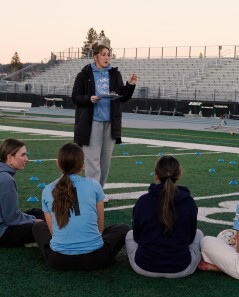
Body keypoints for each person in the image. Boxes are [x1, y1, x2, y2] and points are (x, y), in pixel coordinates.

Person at [32, 143, 129, 270]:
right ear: (82, 165)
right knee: (123, 228)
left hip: (58, 260)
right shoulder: (94, 185)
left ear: (58, 163)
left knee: (38, 226)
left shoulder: (47, 190)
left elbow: (53, 233)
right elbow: (100, 228)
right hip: (96, 259)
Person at [72, 41, 137, 188]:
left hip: (111, 122)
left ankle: (99, 191)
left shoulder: (115, 74)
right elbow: (75, 97)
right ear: (96, 56)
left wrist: (130, 85)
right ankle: (93, 191)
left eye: (109, 55)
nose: (107, 57)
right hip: (91, 122)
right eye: (103, 55)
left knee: (105, 161)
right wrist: (89, 98)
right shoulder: (84, 74)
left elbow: (123, 97)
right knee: (92, 160)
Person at [125, 155, 203, 278]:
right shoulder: (189, 202)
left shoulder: (143, 201)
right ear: (179, 175)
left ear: (156, 175)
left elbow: (137, 237)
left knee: (129, 234)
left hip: (144, 266)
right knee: (199, 234)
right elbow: (190, 238)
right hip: (180, 269)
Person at [0, 138, 44, 247]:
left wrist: (32, 218)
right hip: (3, 233)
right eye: (23, 155)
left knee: (35, 212)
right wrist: (35, 221)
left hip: (4, 223)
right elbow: (11, 219)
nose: (27, 159)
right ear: (10, 157)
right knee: (42, 226)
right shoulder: (6, 179)